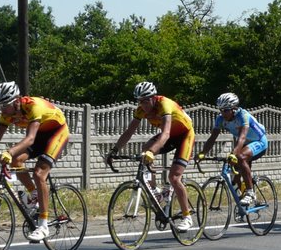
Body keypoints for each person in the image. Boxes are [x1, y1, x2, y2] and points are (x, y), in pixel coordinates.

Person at [0, 81, 70, 243]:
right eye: (0, 105)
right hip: (40, 135)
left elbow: (30, 138)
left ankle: (43, 226)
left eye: (5, 105)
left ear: (17, 100)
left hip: (57, 132)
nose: (2, 109)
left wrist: (8, 152)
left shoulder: (34, 107)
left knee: (39, 173)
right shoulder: (6, 115)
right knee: (16, 162)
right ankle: (34, 194)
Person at [109, 81, 196, 232]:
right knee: (145, 150)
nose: (143, 105)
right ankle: (156, 192)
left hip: (184, 135)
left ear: (154, 97)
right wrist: (114, 150)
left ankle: (187, 216)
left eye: (145, 101)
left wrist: (152, 152)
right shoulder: (140, 110)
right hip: (169, 136)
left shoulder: (165, 105)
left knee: (174, 178)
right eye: (139, 101)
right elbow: (128, 132)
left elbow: (166, 134)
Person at [198, 93, 268, 206]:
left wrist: (234, 153)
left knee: (239, 157)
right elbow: (212, 137)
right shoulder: (220, 119)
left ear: (234, 109)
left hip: (259, 141)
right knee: (234, 171)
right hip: (244, 144)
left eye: (226, 110)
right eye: (221, 110)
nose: (223, 113)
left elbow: (242, 137)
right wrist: (203, 153)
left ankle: (250, 193)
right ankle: (245, 198)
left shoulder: (243, 116)